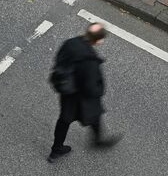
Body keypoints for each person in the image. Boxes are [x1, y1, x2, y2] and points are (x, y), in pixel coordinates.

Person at [48, 23, 122, 163]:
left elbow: (59, 60)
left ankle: (56, 150)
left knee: (64, 120)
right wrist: (100, 90)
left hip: (67, 91)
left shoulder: (70, 43)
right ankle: (98, 140)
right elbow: (92, 88)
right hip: (82, 97)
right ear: (98, 41)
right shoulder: (89, 60)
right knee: (95, 115)